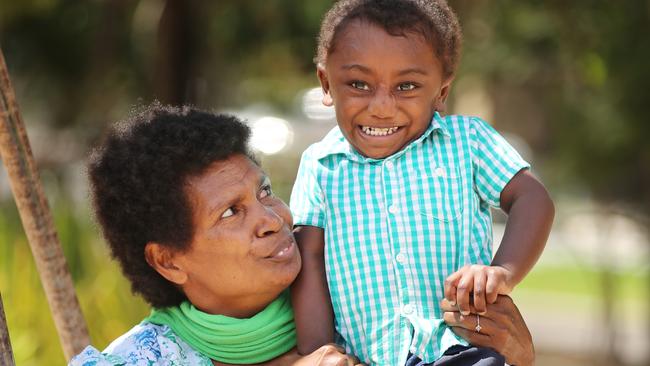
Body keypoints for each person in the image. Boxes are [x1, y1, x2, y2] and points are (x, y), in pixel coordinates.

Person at [289, 0, 555, 365]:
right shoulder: (319, 166)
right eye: (358, 84)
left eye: (407, 86)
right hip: (370, 358)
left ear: (442, 92)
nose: (381, 106)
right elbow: (310, 263)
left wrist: (502, 272)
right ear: (326, 83)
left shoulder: (468, 143)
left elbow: (531, 197)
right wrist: (319, 352)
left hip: (463, 350)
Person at [69, 104, 361, 365]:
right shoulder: (137, 359)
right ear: (169, 261)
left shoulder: (353, 293)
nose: (273, 220)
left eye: (265, 192)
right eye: (230, 212)